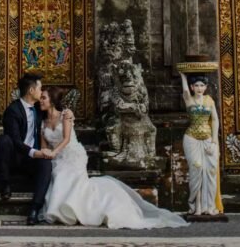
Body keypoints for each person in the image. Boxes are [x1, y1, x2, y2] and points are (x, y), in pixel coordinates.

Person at [40, 85, 187, 229]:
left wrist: (53, 152)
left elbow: (66, 139)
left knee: (65, 176)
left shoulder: (66, 114)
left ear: (52, 101)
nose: (40, 100)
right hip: (58, 157)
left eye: (43, 98)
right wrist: (46, 153)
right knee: (57, 174)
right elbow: (44, 145)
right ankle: (62, 211)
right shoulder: (43, 122)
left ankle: (79, 210)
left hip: (73, 154)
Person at [0, 73, 53, 225]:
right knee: (4, 140)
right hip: (15, 158)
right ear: (31, 90)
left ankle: (34, 209)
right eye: (39, 88)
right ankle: (4, 183)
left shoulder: (39, 108)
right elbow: (16, 142)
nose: (41, 92)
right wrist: (35, 152)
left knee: (46, 164)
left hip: (31, 161)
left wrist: (67, 115)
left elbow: (57, 108)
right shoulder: (13, 111)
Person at [179, 71, 224, 216]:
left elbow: (215, 120)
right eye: (196, 85)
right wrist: (183, 76)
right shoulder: (189, 100)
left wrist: (214, 142)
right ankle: (196, 206)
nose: (199, 88)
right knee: (197, 169)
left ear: (205, 87)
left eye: (202, 85)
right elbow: (184, 90)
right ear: (192, 87)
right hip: (191, 138)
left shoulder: (209, 100)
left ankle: (209, 206)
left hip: (208, 139)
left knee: (210, 171)